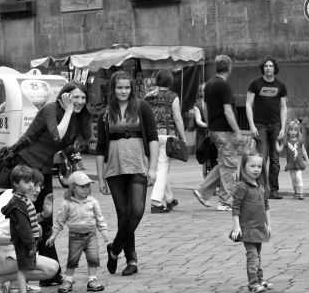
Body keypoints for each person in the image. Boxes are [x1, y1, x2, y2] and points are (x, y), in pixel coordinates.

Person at [9, 81, 92, 286]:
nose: (80, 101)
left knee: (45, 219)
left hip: (43, 171)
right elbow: (57, 136)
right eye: (75, 97)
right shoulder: (50, 109)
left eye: (83, 98)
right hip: (26, 168)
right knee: (26, 220)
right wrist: (69, 111)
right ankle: (26, 274)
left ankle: (49, 274)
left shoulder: (74, 117)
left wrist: (78, 169)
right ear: (65, 96)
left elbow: (67, 145)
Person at [95, 70, 159, 277]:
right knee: (124, 214)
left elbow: (153, 138)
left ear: (131, 89)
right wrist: (100, 176)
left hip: (138, 163)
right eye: (119, 87)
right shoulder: (105, 114)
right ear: (113, 90)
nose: (123, 91)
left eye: (126, 87)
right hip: (114, 167)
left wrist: (153, 167)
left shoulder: (142, 107)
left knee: (137, 211)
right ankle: (131, 260)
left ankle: (114, 250)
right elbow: (100, 147)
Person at [0, 182, 58, 293]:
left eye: (40, 186)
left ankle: (17, 285)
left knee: (29, 245)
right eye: (32, 185)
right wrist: (21, 239)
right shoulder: (10, 204)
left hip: (1, 254)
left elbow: (20, 221)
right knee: (51, 268)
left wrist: (43, 216)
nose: (37, 190)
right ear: (18, 184)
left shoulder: (15, 197)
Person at [193, 55, 251, 211]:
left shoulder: (210, 84)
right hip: (224, 130)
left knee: (224, 163)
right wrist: (237, 130)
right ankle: (225, 201)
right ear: (229, 68)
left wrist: (209, 125)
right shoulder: (223, 86)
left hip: (214, 128)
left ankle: (203, 191)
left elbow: (205, 106)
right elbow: (228, 111)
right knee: (230, 165)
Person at [46, 170, 108, 293]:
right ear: (73, 188)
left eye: (87, 186)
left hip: (91, 235)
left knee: (93, 258)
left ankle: (92, 280)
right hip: (75, 236)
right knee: (72, 259)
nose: (86, 189)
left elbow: (99, 217)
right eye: (82, 186)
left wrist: (103, 230)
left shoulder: (92, 202)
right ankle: (68, 280)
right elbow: (60, 220)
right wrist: (54, 235)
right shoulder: (67, 204)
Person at [1, 165, 46, 293]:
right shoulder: (18, 204)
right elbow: (23, 228)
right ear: (15, 183)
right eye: (26, 182)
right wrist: (31, 244)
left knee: (25, 269)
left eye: (31, 181)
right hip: (24, 242)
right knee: (22, 270)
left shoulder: (22, 200)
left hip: (26, 242)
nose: (31, 185)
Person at [230, 152, 272, 293]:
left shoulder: (260, 186)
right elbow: (235, 208)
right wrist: (236, 226)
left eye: (259, 166)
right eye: (252, 166)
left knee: (257, 256)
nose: (256, 169)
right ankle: (253, 283)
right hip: (247, 229)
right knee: (253, 256)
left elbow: (266, 207)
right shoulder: (242, 187)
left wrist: (268, 225)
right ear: (244, 167)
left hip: (259, 228)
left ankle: (259, 280)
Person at [245, 58, 288, 199]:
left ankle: (274, 190)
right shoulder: (255, 84)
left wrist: (283, 127)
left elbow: (283, 107)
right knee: (262, 159)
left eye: (271, 66)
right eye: (266, 66)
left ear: (275, 68)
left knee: (275, 159)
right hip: (260, 126)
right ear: (262, 68)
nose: (268, 68)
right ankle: (262, 189)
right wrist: (251, 125)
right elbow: (248, 105)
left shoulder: (281, 86)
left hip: (276, 126)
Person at [144, 69, 185, 214]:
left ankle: (170, 199)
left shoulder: (147, 96)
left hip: (150, 136)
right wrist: (183, 136)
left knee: (161, 167)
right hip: (167, 136)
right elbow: (177, 118)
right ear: (170, 81)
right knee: (162, 169)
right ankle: (156, 202)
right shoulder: (173, 96)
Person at [283, 119, 309, 200]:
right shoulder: (286, 141)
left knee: (298, 177)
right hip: (291, 163)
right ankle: (296, 192)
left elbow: (303, 150)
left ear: (298, 131)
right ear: (288, 131)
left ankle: (301, 192)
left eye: (295, 130)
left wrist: (307, 160)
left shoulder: (300, 140)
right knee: (294, 179)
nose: (293, 132)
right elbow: (280, 148)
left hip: (299, 162)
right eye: (291, 130)